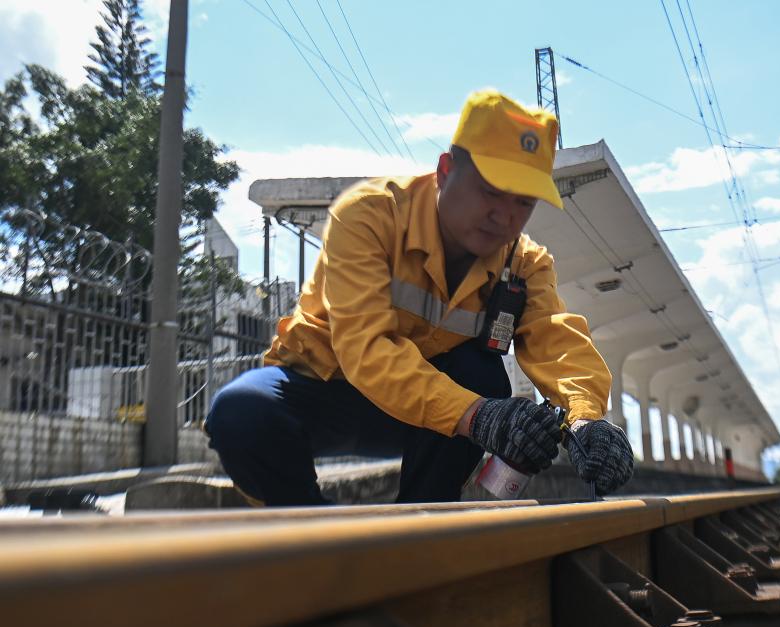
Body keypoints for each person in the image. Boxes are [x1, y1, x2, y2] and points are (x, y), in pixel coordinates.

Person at [205, 89, 634, 506]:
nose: (504, 216)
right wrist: (480, 417)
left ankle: (424, 525)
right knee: (242, 412)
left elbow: (555, 340)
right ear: (446, 170)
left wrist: (585, 419)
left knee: (480, 373)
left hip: (424, 415)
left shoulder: (523, 263)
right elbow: (366, 350)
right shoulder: (369, 218)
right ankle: (305, 525)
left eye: (523, 202)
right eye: (490, 191)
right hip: (321, 390)